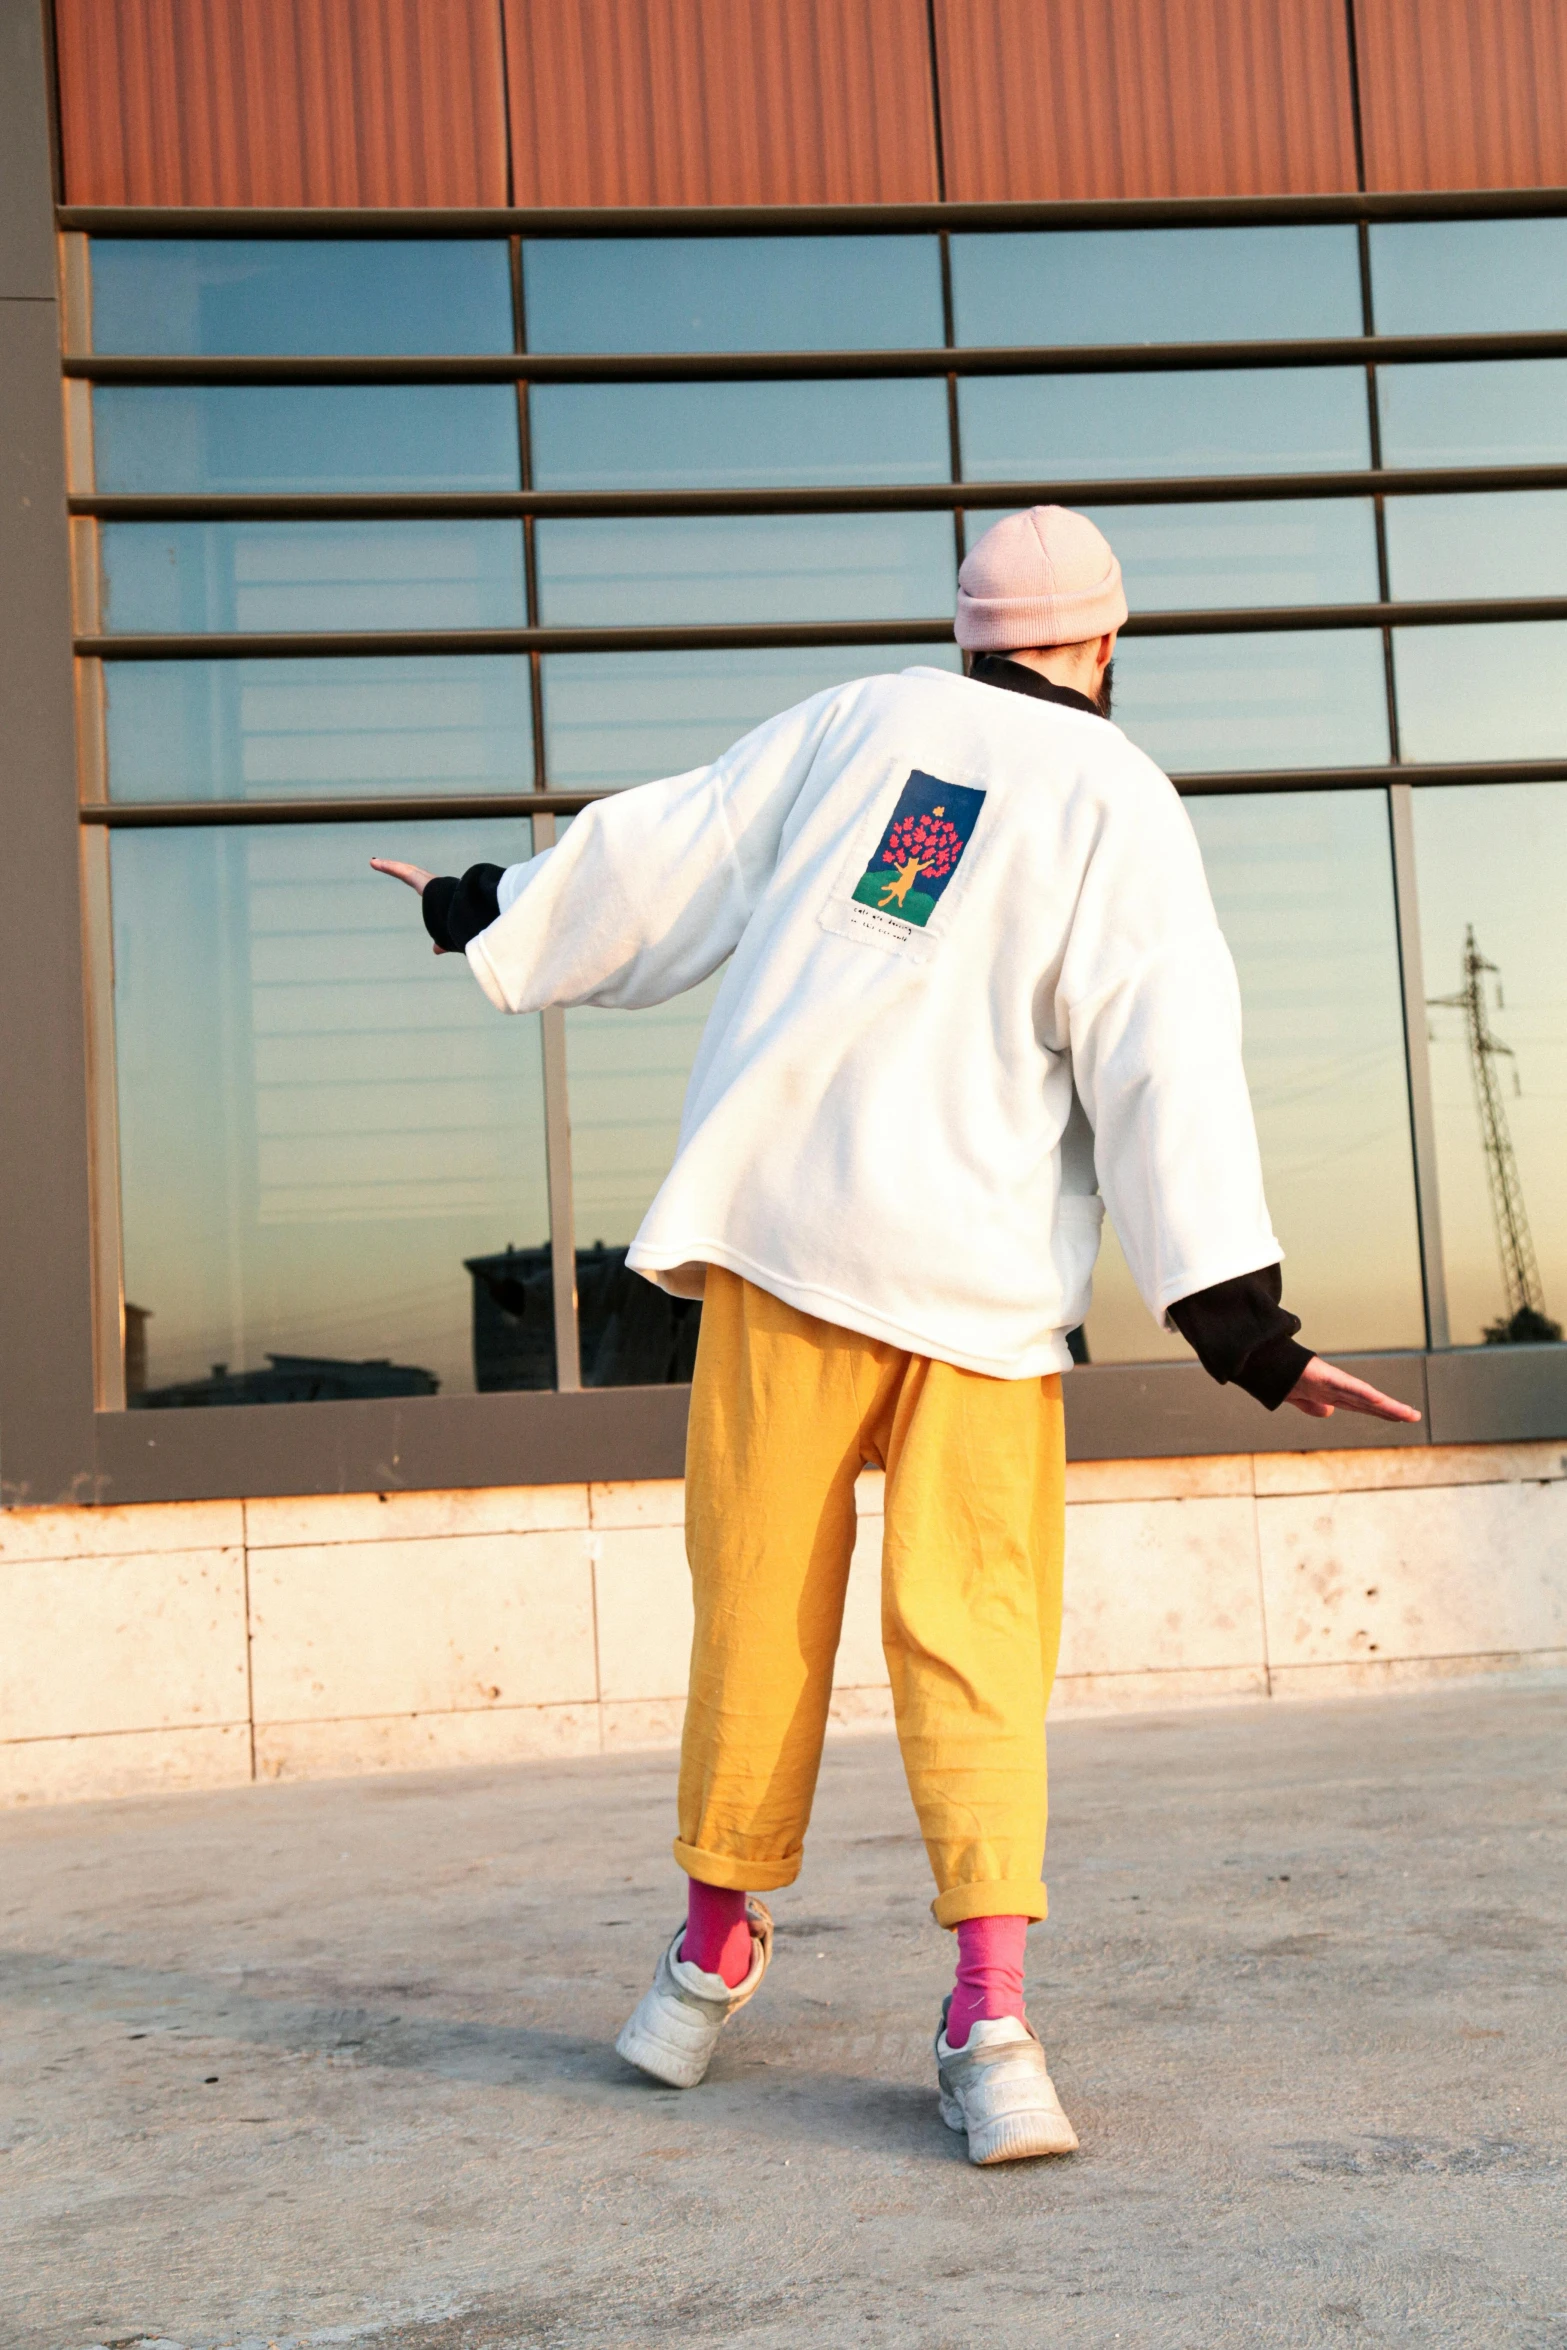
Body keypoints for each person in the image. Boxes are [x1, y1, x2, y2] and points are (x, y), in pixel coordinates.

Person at [373, 506, 1418, 2165]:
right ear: (1105, 640)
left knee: (754, 1600)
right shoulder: (1115, 794)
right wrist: (1245, 1329)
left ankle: (733, 1948)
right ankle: (971, 2012)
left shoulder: (862, 719)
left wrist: (483, 904)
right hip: (944, 1295)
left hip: (840, 1259)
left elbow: (665, 853)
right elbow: (1165, 1059)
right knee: (974, 1638)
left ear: (969, 630)